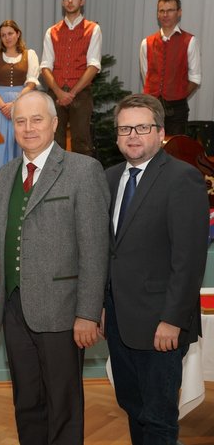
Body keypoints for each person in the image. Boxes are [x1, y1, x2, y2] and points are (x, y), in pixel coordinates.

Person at [0, 90, 109, 444]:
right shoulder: (5, 174)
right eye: (21, 121)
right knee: (26, 401)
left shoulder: (83, 171)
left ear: (55, 123)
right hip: (13, 308)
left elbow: (95, 247)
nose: (28, 128)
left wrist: (87, 313)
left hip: (62, 311)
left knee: (63, 404)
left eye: (37, 119)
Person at [104, 93, 208, 444]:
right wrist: (103, 306)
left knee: (160, 418)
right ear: (117, 136)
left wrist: (173, 320)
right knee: (133, 407)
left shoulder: (182, 178)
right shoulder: (110, 178)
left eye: (142, 127)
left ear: (160, 131)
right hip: (119, 323)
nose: (133, 135)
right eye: (125, 128)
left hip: (161, 325)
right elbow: (110, 252)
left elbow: (189, 259)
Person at [41, 0, 101, 156]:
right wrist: (59, 93)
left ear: (82, 1)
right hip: (56, 93)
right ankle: (55, 180)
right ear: (62, 2)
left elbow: (93, 66)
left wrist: (72, 93)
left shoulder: (92, 29)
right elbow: (45, 66)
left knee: (82, 142)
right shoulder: (51, 31)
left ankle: (82, 181)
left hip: (80, 94)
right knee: (54, 141)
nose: (70, 1)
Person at [140, 0, 201, 135]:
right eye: (161, 11)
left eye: (170, 10)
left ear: (179, 13)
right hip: (151, 107)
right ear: (157, 14)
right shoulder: (146, 43)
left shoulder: (190, 41)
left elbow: (195, 78)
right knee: (150, 147)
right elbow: (146, 75)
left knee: (174, 149)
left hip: (177, 110)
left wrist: (178, 95)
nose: (165, 15)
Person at [0, 20, 39, 170]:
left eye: (10, 33)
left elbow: (31, 83)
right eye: (3, 35)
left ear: (18, 34)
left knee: (21, 144)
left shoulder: (30, 54)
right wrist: (3, 106)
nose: (7, 38)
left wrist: (15, 104)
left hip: (23, 104)